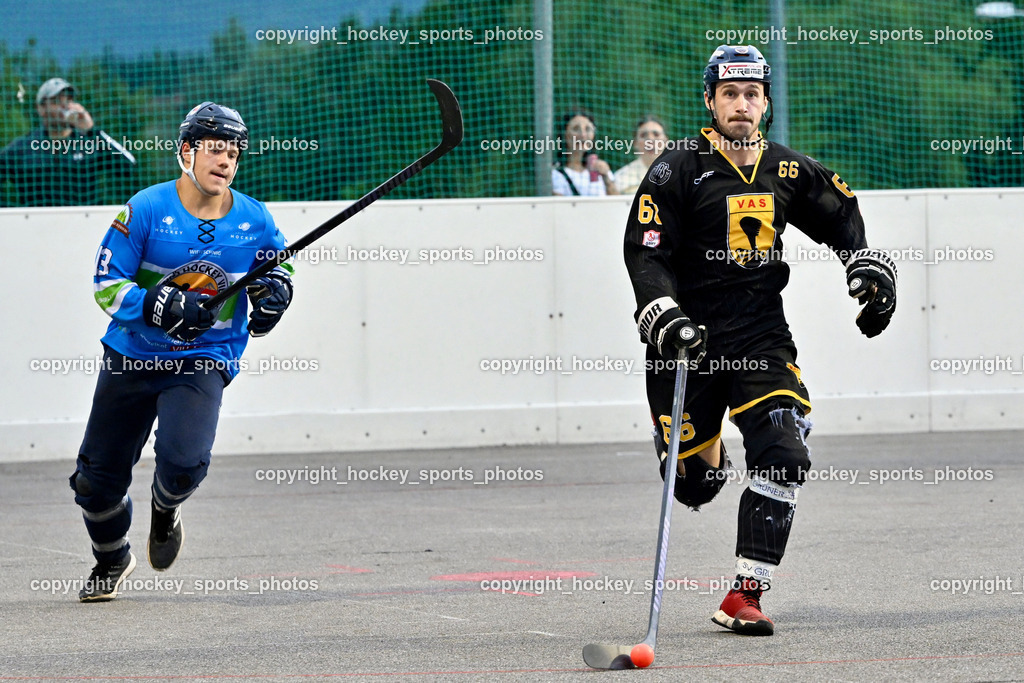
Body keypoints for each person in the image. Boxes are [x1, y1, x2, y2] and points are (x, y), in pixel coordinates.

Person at [623, 45, 896, 635]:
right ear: (710, 101)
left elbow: (840, 212)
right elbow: (646, 253)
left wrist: (866, 264)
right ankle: (702, 450)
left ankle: (744, 594)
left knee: (785, 449)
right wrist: (662, 312)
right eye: (729, 94)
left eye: (752, 94)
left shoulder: (788, 169)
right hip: (686, 345)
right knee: (694, 488)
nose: (741, 105)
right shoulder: (675, 170)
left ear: (766, 101)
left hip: (760, 338)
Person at [70, 102, 295, 602]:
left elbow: (278, 269)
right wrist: (155, 304)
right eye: (216, 149)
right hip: (133, 354)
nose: (227, 161)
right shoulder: (146, 210)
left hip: (204, 357)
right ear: (186, 153)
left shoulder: (255, 220)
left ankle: (165, 508)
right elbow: (106, 285)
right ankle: (112, 557)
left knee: (184, 462)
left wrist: (277, 292)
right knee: (95, 483)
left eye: (234, 153)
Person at [0, 78, 135, 206]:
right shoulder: (23, 148)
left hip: (85, 225)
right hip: (37, 226)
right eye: (56, 101)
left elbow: (128, 166)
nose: (64, 106)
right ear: (40, 108)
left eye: (68, 100)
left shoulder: (90, 143)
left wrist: (92, 130)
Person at [551, 110, 619, 196]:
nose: (583, 135)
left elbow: (618, 204)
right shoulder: (555, 173)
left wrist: (607, 179)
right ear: (564, 134)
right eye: (576, 129)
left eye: (587, 129)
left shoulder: (601, 170)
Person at [614, 116, 668, 196]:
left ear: (666, 141)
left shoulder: (680, 174)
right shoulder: (621, 178)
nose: (650, 140)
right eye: (643, 135)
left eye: (656, 134)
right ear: (635, 143)